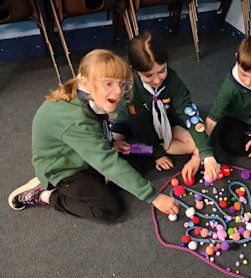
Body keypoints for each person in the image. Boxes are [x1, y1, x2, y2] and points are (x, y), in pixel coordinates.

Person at [8, 49, 179, 221]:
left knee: (136, 164)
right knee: (109, 209)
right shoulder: (77, 119)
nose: (119, 91)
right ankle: (46, 194)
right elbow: (107, 161)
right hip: (62, 169)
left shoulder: (86, 92)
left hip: (80, 153)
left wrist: (110, 142)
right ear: (86, 82)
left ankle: (100, 180)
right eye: (109, 84)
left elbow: (99, 126)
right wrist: (154, 197)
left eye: (121, 84)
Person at [113, 31, 219, 182]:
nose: (157, 80)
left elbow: (189, 113)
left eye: (162, 71)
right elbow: (140, 125)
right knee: (114, 138)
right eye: (149, 75)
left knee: (195, 144)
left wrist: (206, 155)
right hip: (135, 119)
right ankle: (139, 146)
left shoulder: (173, 81)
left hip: (167, 119)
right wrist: (157, 154)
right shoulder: (133, 89)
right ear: (135, 70)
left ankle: (141, 147)